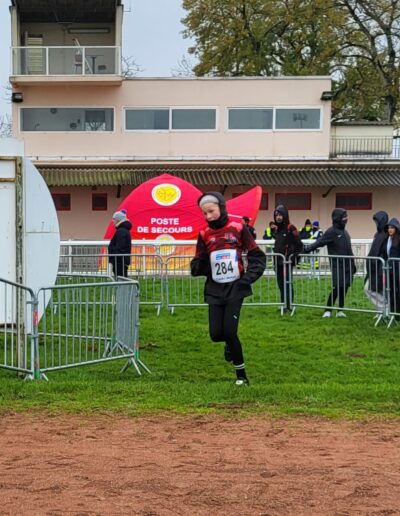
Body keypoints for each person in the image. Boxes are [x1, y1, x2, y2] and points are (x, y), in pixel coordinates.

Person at [190, 192, 266, 386]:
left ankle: (241, 376)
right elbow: (198, 261)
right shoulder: (204, 234)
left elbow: (257, 255)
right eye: (205, 213)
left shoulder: (238, 228)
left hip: (235, 288)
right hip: (215, 289)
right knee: (216, 334)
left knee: (230, 332)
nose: (208, 216)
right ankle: (229, 345)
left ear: (222, 208)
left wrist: (247, 278)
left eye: (211, 211)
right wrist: (200, 266)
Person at [304, 208, 356, 318]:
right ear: (338, 218)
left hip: (348, 265)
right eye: (344, 217)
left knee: (345, 287)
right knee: (337, 287)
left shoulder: (345, 232)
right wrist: (305, 250)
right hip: (337, 265)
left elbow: (349, 250)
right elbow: (319, 242)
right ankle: (328, 310)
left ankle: (340, 310)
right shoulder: (331, 232)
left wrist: (353, 264)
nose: (346, 219)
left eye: (346, 216)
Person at [272, 205, 303, 313]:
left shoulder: (291, 228)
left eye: (280, 215)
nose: (278, 217)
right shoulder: (276, 229)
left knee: (287, 284)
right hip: (278, 262)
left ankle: (289, 306)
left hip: (286, 262)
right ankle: (283, 305)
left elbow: (300, 245)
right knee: (281, 284)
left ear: (285, 215)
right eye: (276, 215)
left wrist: (293, 258)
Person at [364, 211, 388, 310]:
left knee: (372, 289)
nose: (376, 224)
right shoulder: (378, 234)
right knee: (373, 289)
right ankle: (382, 310)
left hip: (381, 268)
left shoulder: (386, 235)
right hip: (374, 268)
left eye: (377, 221)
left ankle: (385, 308)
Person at [108, 209, 132, 278]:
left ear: (118, 220)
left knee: (120, 279)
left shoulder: (121, 231)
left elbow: (120, 247)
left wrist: (114, 257)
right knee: (122, 279)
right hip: (121, 260)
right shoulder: (123, 230)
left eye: (114, 219)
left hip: (119, 261)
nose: (112, 221)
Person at [384, 218, 400, 315]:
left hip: (398, 269)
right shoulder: (388, 239)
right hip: (390, 269)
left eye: (392, 228)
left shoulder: (399, 239)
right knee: (391, 290)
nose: (390, 230)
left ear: (396, 229)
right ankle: (392, 311)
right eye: (389, 228)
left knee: (398, 290)